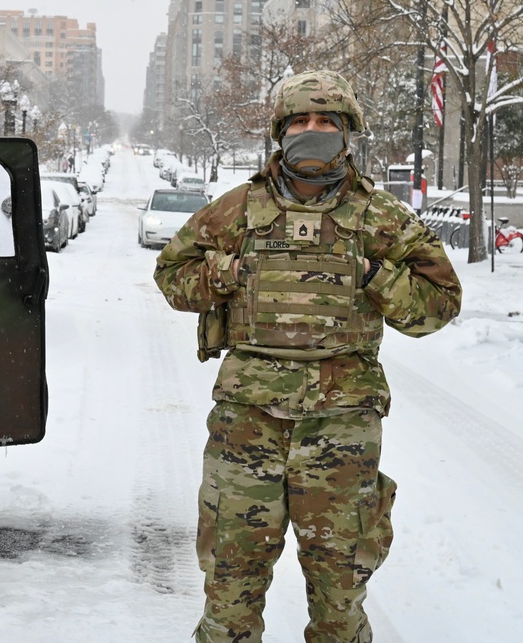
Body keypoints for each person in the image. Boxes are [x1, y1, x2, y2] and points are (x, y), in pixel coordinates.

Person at [153, 70, 462, 643]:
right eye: (301, 121)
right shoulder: (237, 210)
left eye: (327, 121)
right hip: (247, 422)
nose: (313, 130)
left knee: (339, 594)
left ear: (347, 133)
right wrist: (230, 271)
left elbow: (439, 305)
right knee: (230, 591)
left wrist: (373, 276)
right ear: (280, 131)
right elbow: (172, 276)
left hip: (341, 426)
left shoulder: (381, 219)